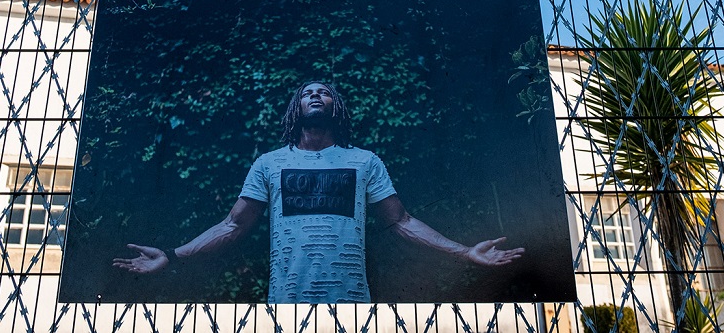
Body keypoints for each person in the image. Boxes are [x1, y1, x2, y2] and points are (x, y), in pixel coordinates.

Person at [113, 80, 524, 303]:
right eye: (306, 92)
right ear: (297, 109)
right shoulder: (269, 163)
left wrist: (464, 251)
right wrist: (171, 256)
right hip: (285, 305)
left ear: (336, 107)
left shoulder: (365, 161)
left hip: (352, 304)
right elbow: (232, 226)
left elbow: (401, 221)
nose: (315, 95)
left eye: (323, 91)